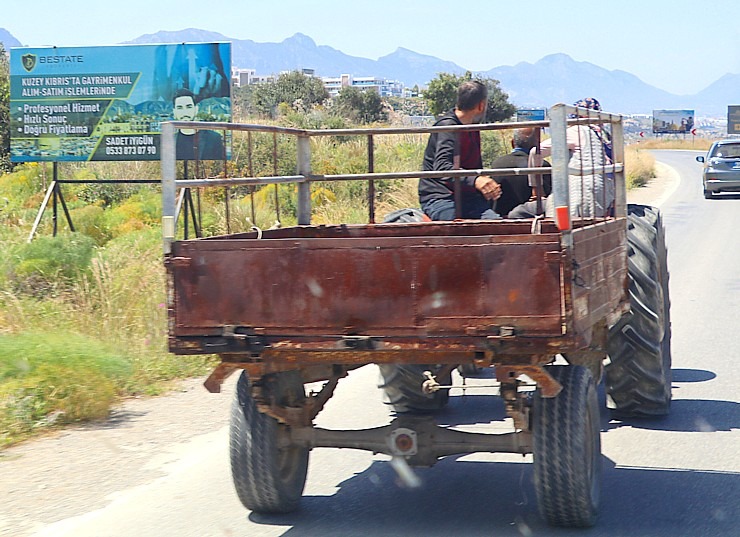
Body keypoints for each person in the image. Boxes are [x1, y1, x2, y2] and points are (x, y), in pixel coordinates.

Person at [511, 97, 613, 219]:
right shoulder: (605, 136)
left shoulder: (577, 130)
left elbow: (535, 152)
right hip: (604, 196)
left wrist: (537, 189)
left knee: (517, 213)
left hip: (577, 196)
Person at [418, 80, 502, 220]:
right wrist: (475, 180)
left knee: (495, 225)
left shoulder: (472, 127)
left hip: (469, 198)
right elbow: (442, 167)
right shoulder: (448, 127)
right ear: (481, 105)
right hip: (440, 197)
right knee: (456, 230)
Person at [490, 127, 552, 217]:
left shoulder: (497, 165)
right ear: (537, 145)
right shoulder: (543, 166)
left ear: (512, 143)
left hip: (502, 220)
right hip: (533, 220)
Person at [172, 88, 225, 160]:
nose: (185, 112)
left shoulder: (213, 139)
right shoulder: (168, 142)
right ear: (174, 112)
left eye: (189, 107)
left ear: (196, 109)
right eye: (180, 108)